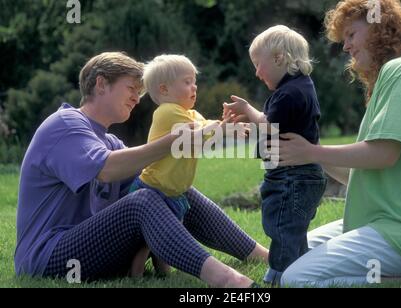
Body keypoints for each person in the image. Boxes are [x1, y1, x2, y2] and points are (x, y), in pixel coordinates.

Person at [14, 51, 268, 287]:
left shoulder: (109, 142)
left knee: (170, 190)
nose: (137, 97)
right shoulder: (65, 124)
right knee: (143, 200)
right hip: (48, 257)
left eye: (140, 91)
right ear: (101, 84)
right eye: (131, 89)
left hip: (93, 250)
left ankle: (263, 256)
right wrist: (172, 140)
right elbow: (107, 169)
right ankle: (228, 281)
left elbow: (152, 180)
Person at [270, 0, 401, 287]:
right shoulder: (390, 78)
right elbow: (361, 174)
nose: (346, 47)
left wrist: (312, 151)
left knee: (295, 279)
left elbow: (383, 154)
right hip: (377, 223)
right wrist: (309, 153)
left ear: (380, 27)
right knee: (287, 256)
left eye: (351, 35)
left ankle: (399, 280)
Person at [223, 25, 327, 285]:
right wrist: (250, 124)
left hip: (291, 176)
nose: (256, 73)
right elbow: (271, 126)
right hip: (295, 175)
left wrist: (248, 109)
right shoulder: (297, 88)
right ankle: (301, 266)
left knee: (281, 226)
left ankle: (279, 274)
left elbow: (270, 125)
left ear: (280, 58)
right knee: (291, 227)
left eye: (258, 64)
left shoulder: (290, 92)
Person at [128, 54, 249, 276]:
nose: (194, 87)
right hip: (153, 189)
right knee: (144, 242)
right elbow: (196, 134)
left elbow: (207, 134)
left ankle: (162, 274)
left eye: (194, 81)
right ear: (164, 90)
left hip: (173, 192)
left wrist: (229, 128)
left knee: (167, 236)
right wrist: (221, 127)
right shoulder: (167, 112)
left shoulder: (189, 113)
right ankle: (134, 274)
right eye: (186, 82)